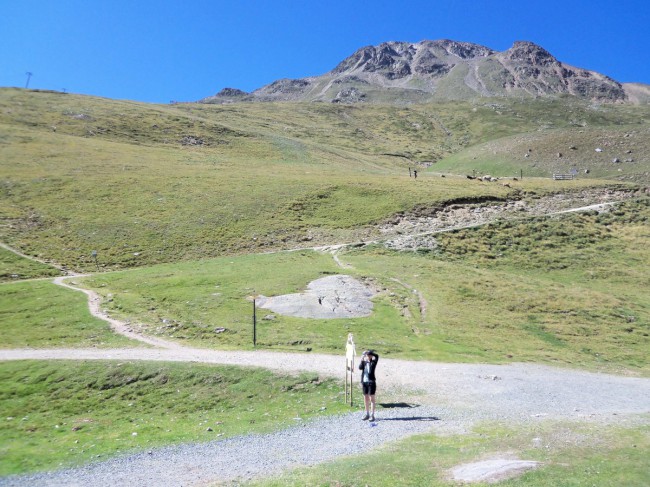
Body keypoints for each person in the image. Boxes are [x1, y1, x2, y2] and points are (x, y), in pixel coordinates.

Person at [359, 349, 379, 421]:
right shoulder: (364, 363)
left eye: (369, 355)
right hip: (364, 382)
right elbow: (360, 367)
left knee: (372, 399)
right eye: (367, 355)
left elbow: (377, 356)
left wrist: (371, 353)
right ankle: (367, 413)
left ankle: (372, 415)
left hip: (371, 382)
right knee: (365, 398)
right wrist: (362, 358)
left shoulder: (373, 362)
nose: (367, 356)